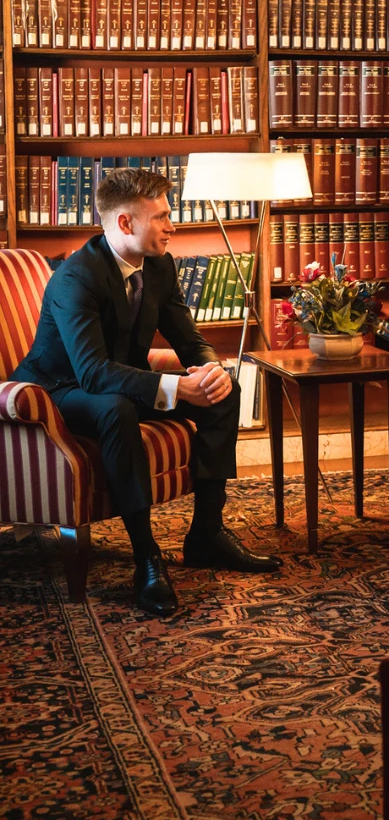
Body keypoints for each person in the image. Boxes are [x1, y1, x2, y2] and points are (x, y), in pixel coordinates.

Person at [10, 168, 282, 616]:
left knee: (225, 390)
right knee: (115, 408)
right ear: (124, 224)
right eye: (161, 217)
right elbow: (94, 374)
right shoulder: (75, 279)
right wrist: (178, 387)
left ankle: (207, 535)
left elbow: (187, 337)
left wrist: (210, 369)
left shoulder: (159, 265)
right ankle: (147, 559)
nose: (172, 226)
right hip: (58, 392)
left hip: (117, 380)